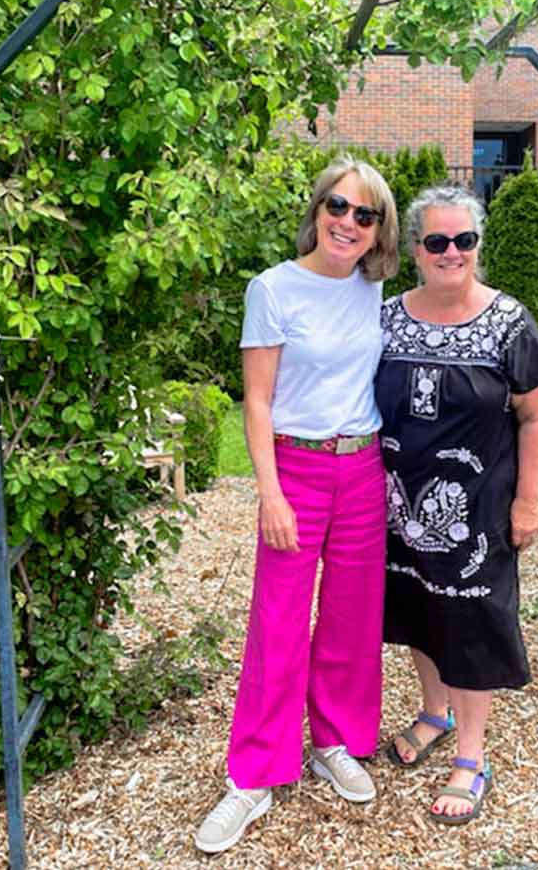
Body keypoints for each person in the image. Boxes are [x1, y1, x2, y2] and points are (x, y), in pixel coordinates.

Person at [195, 155, 399, 853]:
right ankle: (254, 776)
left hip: (363, 468)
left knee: (350, 616)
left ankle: (334, 741)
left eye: (364, 215)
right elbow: (255, 400)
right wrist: (270, 492)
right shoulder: (272, 288)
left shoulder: (376, 291)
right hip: (297, 470)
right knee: (278, 620)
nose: (348, 222)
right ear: (317, 211)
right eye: (338, 207)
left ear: (378, 232)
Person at [375, 185, 538, 824]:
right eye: (437, 242)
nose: (452, 253)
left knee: (472, 622)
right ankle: (433, 712)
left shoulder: (508, 322)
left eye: (465, 240)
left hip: (478, 506)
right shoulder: (386, 318)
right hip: (398, 502)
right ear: (416, 250)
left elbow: (535, 417)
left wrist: (528, 502)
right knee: (421, 610)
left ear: (478, 245)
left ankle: (471, 757)